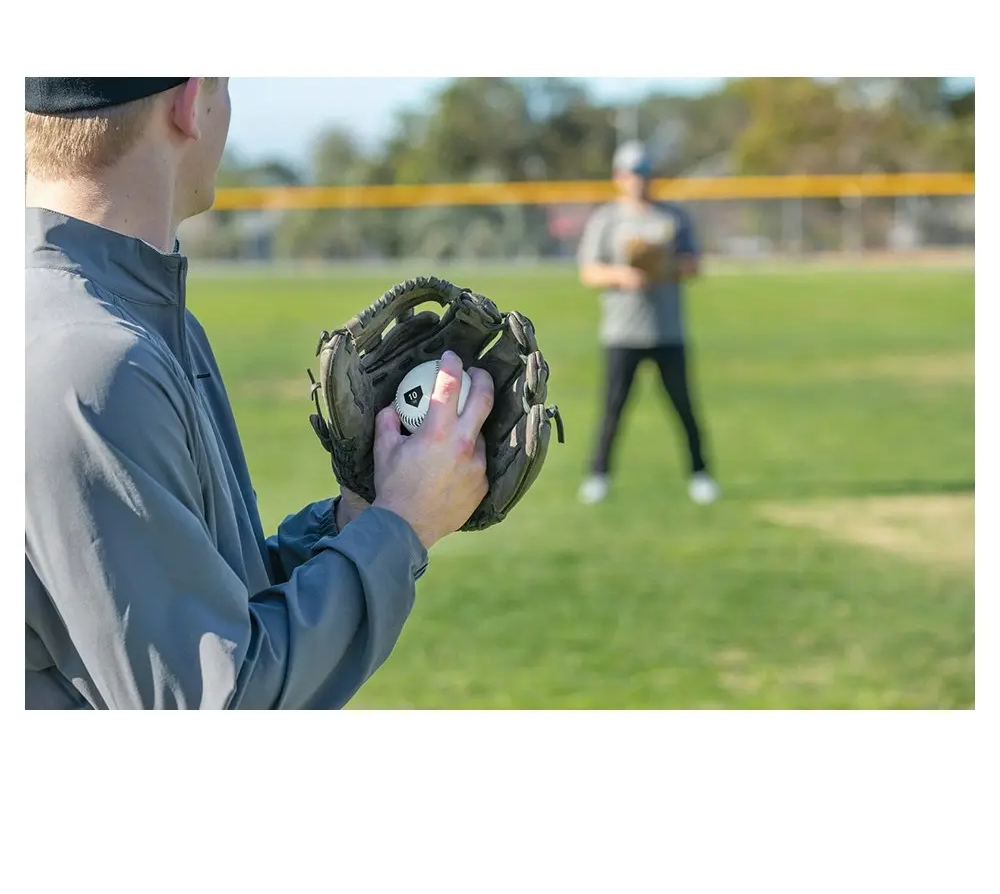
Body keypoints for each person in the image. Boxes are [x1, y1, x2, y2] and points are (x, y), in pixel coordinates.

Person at [24, 77, 494, 709]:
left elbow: (218, 605)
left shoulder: (130, 323)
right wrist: (401, 524)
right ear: (191, 103)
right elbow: (217, 702)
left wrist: (358, 516)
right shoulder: (92, 358)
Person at [576, 140, 719, 507]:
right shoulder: (607, 219)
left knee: (684, 407)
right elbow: (589, 271)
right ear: (618, 177)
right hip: (622, 333)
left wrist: (663, 265)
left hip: (667, 331)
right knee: (613, 409)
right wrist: (624, 275)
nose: (638, 180)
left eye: (643, 172)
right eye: (631, 173)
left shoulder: (672, 218)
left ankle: (700, 474)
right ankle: (598, 475)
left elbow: (694, 265)